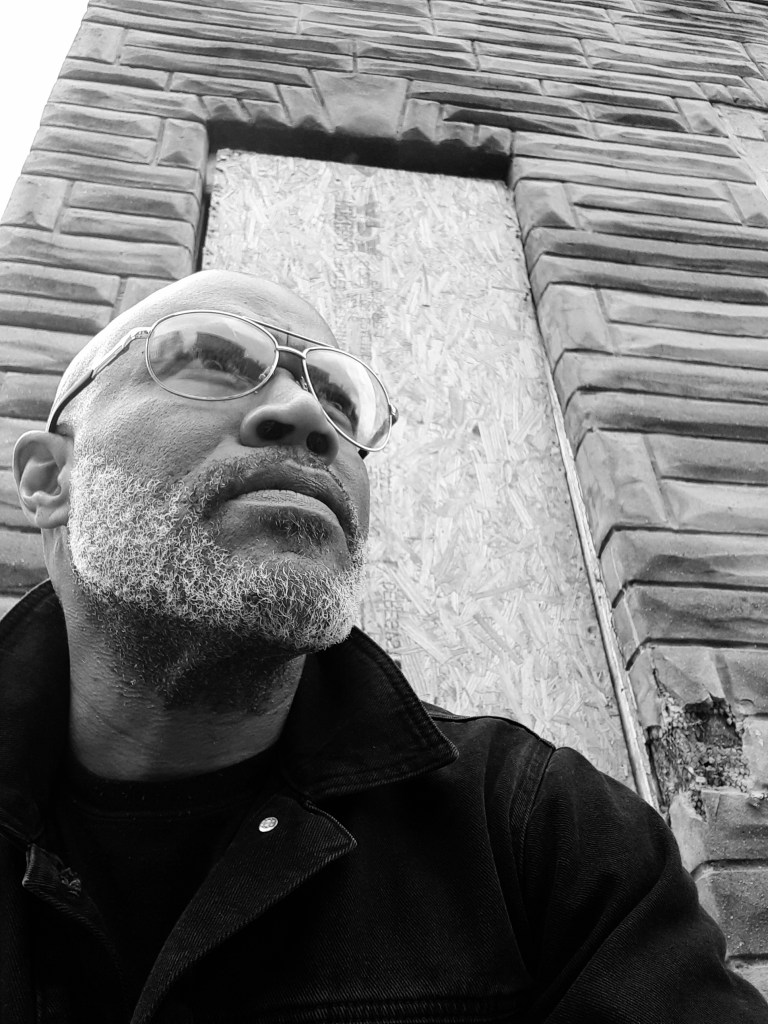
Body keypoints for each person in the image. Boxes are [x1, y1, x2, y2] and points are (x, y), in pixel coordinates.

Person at [3, 268, 766, 1024]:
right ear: (49, 477)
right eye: (209, 360)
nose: (309, 415)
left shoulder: (543, 833)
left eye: (340, 403)